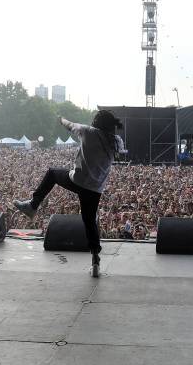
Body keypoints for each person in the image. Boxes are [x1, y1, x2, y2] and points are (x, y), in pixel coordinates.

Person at [13, 110, 126, 277]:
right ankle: (95, 261)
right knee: (90, 222)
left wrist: (61, 119)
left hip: (77, 180)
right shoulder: (117, 141)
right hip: (95, 188)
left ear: (96, 121)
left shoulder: (88, 131)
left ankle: (32, 206)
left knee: (52, 173)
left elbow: (70, 125)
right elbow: (119, 154)